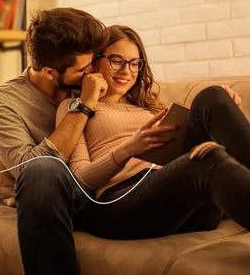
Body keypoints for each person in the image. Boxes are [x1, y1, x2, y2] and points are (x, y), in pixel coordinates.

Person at [56, 24, 250, 241]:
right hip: (122, 202)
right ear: (95, 60)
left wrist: (225, 108)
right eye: (117, 60)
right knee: (206, 157)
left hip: (179, 198)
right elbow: (81, 179)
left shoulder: (149, 106)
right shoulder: (75, 107)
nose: (126, 71)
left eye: (134, 64)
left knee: (212, 96)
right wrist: (129, 149)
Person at [0, 7, 109, 275]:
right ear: (50, 72)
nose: (93, 73)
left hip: (107, 187)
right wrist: (85, 105)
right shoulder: (2, 102)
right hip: (54, 196)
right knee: (42, 169)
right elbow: (27, 167)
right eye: (83, 69)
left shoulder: (90, 80)